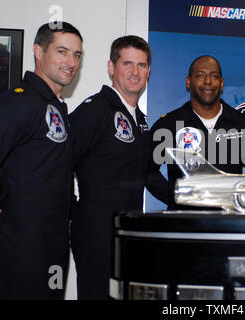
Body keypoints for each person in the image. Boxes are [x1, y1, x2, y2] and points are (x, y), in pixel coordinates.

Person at [0, 22, 83, 299]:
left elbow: (50, 171)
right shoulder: (17, 102)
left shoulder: (55, 107)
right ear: (38, 52)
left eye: (77, 55)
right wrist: (8, 201)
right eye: (62, 51)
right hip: (25, 243)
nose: (71, 62)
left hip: (54, 239)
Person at [70, 35, 168, 300]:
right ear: (111, 67)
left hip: (126, 231)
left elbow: (148, 173)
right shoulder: (95, 110)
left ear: (148, 70)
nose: (135, 72)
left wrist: (187, 199)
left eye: (142, 65)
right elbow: (59, 161)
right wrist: (69, 209)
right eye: (127, 64)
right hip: (96, 232)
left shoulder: (140, 120)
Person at [150, 55, 245, 209]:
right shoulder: (169, 125)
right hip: (184, 226)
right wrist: (176, 198)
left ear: (222, 84)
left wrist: (243, 200)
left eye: (214, 76)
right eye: (200, 75)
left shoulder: (243, 125)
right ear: (188, 82)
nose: (208, 81)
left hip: (229, 224)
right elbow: (149, 172)